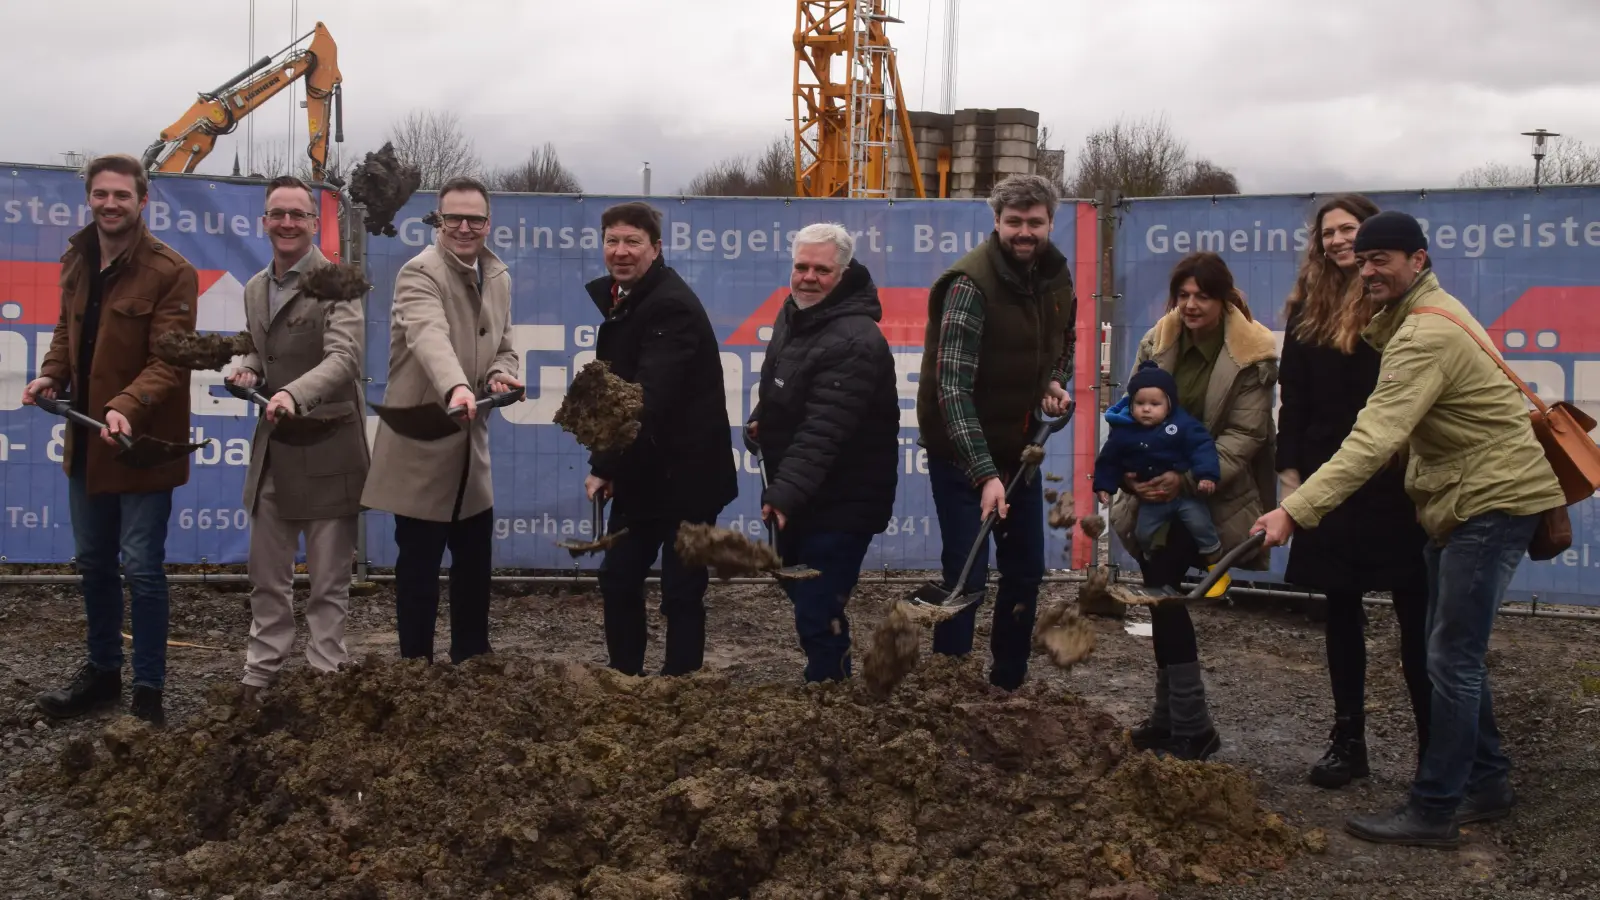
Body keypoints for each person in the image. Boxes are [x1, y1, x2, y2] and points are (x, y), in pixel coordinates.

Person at [1256, 210, 1564, 849]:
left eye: (1382, 259)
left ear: (1417, 261)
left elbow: (1372, 440)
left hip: (1490, 502)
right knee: (1445, 650)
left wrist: (1294, 509)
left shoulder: (1424, 334)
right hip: (1464, 501)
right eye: (1363, 260)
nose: (1368, 269)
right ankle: (1487, 781)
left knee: (1452, 659)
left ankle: (1435, 807)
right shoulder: (1421, 316)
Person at [22, 153, 199, 727]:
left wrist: (124, 405)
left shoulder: (171, 271)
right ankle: (102, 673)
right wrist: (52, 374)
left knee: (142, 567)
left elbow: (169, 362)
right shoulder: (77, 258)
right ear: (90, 199)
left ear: (143, 201)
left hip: (143, 443)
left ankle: (148, 690)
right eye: (101, 194)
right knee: (94, 562)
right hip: (87, 442)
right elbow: (67, 329)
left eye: (122, 195)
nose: (110, 204)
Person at [1276, 194, 1431, 790]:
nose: (1338, 241)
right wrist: (1291, 471)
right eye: (1328, 233)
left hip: (1394, 477)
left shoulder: (1396, 305)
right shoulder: (1305, 309)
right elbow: (1293, 396)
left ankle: (1432, 751)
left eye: (1349, 230)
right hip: (1328, 477)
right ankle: (1349, 742)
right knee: (1340, 612)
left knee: (1415, 616)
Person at [1108, 252, 1278, 761]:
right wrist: (1132, 472)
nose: (1190, 305)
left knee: (1165, 592)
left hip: (1208, 494)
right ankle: (1174, 718)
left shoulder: (1252, 354)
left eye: (1202, 295)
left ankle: (1191, 723)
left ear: (1223, 298)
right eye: (1182, 295)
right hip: (1152, 490)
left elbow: (1244, 436)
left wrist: (1180, 479)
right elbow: (1131, 408)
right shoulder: (1158, 342)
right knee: (1161, 594)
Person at [914, 173, 1076, 692]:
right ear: (997, 223)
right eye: (1014, 222)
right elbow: (952, 390)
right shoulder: (970, 285)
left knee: (1026, 571)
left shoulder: (1055, 278)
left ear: (1051, 222)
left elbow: (1063, 343)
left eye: (1035, 221)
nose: (1024, 232)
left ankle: (1007, 683)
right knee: (967, 575)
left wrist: (1055, 380)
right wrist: (984, 474)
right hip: (961, 452)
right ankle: (949, 685)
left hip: (1020, 452)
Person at [361, 176, 522, 664]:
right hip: (422, 446)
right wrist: (456, 386)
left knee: (475, 568)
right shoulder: (418, 273)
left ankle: (473, 662)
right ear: (438, 221)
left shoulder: (498, 276)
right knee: (419, 572)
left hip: (470, 452)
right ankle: (416, 671)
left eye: (474, 218)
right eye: (454, 217)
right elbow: (428, 337)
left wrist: (500, 375)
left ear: (488, 223)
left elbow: (507, 345)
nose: (464, 227)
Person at [227, 175, 368, 702]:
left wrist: (291, 393)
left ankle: (325, 675)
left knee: (329, 581)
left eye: (298, 214)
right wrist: (245, 365)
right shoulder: (255, 287)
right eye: (277, 214)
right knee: (267, 574)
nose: (287, 223)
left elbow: (345, 358)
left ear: (314, 222)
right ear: (265, 221)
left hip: (329, 442)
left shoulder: (338, 282)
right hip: (276, 446)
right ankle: (261, 669)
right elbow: (254, 345)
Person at [585, 201, 736, 677]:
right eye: (613, 241)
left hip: (688, 478)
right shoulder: (624, 299)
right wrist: (614, 465)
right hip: (643, 473)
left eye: (633, 242)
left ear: (656, 248)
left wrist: (604, 464)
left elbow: (645, 397)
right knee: (618, 577)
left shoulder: (669, 305)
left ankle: (680, 686)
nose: (621, 251)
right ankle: (623, 676)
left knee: (682, 588)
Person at [747, 223, 899, 682]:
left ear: (844, 272)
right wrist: (764, 417)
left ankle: (830, 698)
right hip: (806, 490)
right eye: (801, 266)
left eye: (821, 269)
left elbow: (824, 428)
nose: (808, 277)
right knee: (803, 591)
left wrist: (785, 492)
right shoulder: (794, 313)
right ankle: (832, 682)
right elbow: (786, 382)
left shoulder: (854, 339)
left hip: (844, 498)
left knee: (817, 604)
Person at [1093, 360, 1230, 596]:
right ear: (1131, 403)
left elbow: (1203, 447)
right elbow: (1109, 459)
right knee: (1142, 533)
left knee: (1202, 527)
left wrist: (1206, 475)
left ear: (1169, 404)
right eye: (1140, 403)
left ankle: (1218, 573)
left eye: (1154, 404)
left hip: (1186, 495)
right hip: (1152, 498)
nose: (1147, 409)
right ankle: (1150, 558)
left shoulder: (1182, 424)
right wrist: (1105, 484)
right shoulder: (1124, 431)